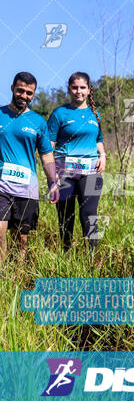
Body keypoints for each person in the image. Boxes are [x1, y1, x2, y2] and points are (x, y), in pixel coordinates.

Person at [0, 72, 59, 262]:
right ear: (12, 89)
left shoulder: (39, 122)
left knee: (21, 239)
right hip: (1, 185)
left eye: (29, 93)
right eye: (20, 91)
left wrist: (53, 182)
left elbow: (46, 154)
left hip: (27, 188)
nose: (24, 96)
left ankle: (18, 277)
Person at [47, 72, 106, 253]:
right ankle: (66, 255)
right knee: (66, 216)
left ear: (89, 90)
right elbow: (48, 146)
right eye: (74, 87)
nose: (78, 91)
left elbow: (98, 139)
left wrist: (102, 155)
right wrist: (52, 177)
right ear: (69, 89)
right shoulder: (60, 113)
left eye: (82, 87)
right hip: (64, 171)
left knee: (90, 215)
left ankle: (92, 256)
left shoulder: (95, 114)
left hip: (91, 172)